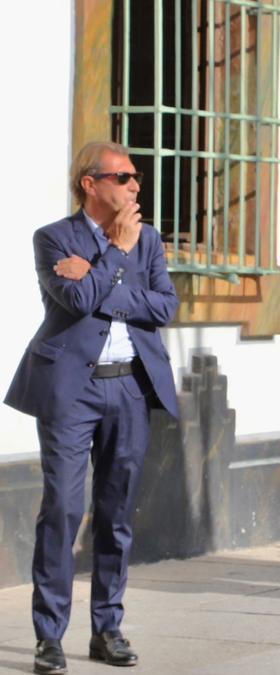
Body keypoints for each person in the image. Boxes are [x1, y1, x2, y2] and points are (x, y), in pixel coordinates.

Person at [5, 141, 180, 674]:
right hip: (70, 390)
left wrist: (108, 266)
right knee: (61, 508)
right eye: (125, 176)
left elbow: (165, 306)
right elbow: (75, 301)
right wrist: (117, 257)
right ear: (91, 182)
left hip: (130, 387)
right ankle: (48, 637)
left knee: (116, 514)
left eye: (137, 178)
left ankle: (107, 628)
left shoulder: (147, 239)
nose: (135, 187)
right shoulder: (55, 238)